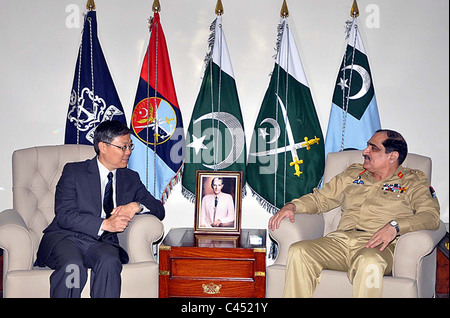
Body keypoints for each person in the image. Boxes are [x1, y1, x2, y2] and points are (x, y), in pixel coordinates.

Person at [269, 129, 440, 297]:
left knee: (369, 261)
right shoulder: (353, 174)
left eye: (373, 148)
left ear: (392, 156)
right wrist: (293, 206)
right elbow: (321, 199)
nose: (365, 152)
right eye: (367, 146)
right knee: (300, 251)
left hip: (378, 245)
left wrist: (395, 226)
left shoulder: (412, 181)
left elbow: (430, 216)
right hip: (340, 241)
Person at [35, 120, 165, 298]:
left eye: (130, 146)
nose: (128, 152)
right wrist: (105, 224)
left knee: (110, 261)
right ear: (103, 146)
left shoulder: (130, 178)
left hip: (102, 243)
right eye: (123, 147)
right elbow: (64, 215)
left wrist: (136, 206)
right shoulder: (74, 172)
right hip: (66, 237)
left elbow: (158, 209)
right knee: (73, 266)